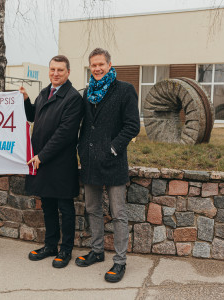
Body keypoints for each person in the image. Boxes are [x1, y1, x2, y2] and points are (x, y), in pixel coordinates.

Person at [76, 48, 140, 282]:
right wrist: (81, 149)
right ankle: (97, 251)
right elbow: (84, 124)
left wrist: (113, 148)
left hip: (113, 162)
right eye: (93, 65)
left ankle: (120, 262)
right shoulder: (87, 93)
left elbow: (132, 125)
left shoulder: (125, 90)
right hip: (90, 161)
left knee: (118, 213)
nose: (97, 68)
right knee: (92, 209)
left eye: (101, 64)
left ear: (110, 65)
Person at [19, 55, 83, 268]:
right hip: (42, 160)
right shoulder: (46, 92)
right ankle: (50, 246)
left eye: (60, 70)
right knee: (47, 205)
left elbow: (64, 133)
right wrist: (26, 100)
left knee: (65, 208)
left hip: (60, 163)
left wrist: (42, 155)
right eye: (53, 69)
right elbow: (34, 115)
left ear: (68, 73)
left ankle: (65, 250)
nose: (55, 74)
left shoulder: (73, 98)